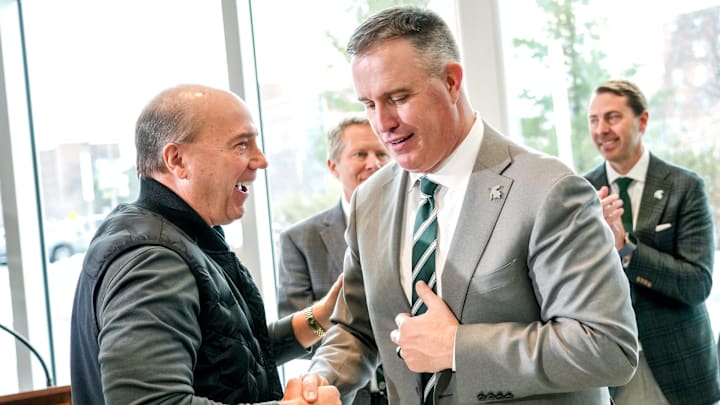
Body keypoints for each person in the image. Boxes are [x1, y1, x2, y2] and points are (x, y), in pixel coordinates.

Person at [306, 6, 639, 405]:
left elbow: (607, 347)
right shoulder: (369, 199)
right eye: (368, 104)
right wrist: (322, 379)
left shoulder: (549, 190)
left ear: (450, 82)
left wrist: (456, 347)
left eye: (397, 98)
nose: (383, 123)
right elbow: (356, 327)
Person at [70, 84, 341, 405]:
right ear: (177, 160)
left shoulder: (166, 233)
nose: (261, 160)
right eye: (242, 144)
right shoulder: (154, 260)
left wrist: (320, 317)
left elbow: (227, 351)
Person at [585, 79, 720, 405]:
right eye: (593, 120)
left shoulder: (684, 186)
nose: (601, 129)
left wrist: (626, 249)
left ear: (642, 121)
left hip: (681, 364)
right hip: (612, 369)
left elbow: (697, 284)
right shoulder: (581, 193)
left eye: (612, 117)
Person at [277, 116, 391, 404]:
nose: (373, 163)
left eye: (381, 153)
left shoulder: (412, 225)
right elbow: (297, 332)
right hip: (342, 394)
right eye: (360, 154)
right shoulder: (300, 239)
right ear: (333, 166)